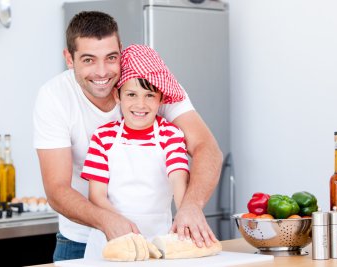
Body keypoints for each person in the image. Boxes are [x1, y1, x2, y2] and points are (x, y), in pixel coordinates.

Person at [33, 10, 222, 261]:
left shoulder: (150, 82)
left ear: (121, 51)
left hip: (157, 240)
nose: (102, 72)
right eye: (89, 60)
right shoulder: (55, 97)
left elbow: (206, 147)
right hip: (79, 241)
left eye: (111, 57)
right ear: (70, 58)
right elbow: (57, 189)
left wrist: (190, 206)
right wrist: (108, 220)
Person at [81, 44, 190, 259]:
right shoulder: (103, 137)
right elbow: (96, 195)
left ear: (161, 98)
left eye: (149, 95)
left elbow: (178, 179)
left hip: (159, 239)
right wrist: (123, 227)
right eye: (131, 94)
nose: (140, 104)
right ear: (117, 96)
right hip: (111, 239)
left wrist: (185, 217)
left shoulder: (171, 135)